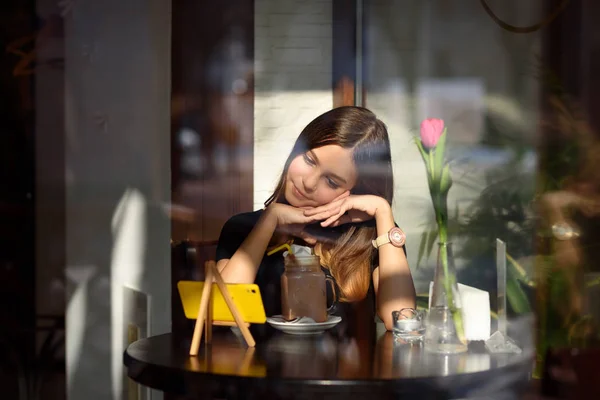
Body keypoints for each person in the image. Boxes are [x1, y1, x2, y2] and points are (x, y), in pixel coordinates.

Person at [215, 106, 416, 330]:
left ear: (357, 190)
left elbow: (401, 322)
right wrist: (270, 220)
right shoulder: (243, 227)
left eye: (331, 182)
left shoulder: (375, 236)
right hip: (261, 365)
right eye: (310, 160)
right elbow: (222, 314)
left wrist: (382, 210)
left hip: (349, 366)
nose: (308, 183)